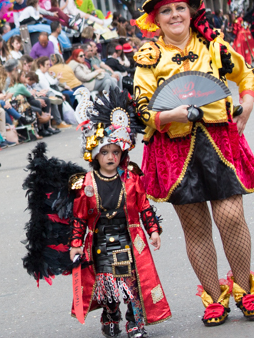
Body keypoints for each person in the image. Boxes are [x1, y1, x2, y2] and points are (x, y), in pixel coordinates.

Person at [132, 0, 254, 326]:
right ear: (155, 19)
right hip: (175, 150)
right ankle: (213, 297)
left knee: (231, 216)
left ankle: (245, 289)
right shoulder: (149, 58)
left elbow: (246, 74)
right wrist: (168, 114)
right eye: (166, 11)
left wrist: (247, 103)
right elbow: (142, 108)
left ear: (191, 12)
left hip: (219, 141)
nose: (175, 15)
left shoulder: (214, 46)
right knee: (195, 228)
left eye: (180, 7)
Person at [63, 90, 169, 338]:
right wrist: (76, 244)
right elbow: (79, 217)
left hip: (130, 239)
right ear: (94, 154)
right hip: (100, 242)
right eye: (105, 152)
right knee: (107, 284)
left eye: (115, 152)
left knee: (132, 283)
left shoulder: (131, 177)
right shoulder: (85, 183)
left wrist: (153, 230)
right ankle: (111, 315)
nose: (111, 157)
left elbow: (143, 206)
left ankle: (135, 320)